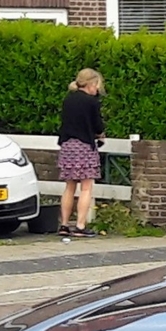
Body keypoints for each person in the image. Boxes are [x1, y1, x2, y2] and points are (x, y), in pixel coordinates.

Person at [56, 68, 103, 236]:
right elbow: (98, 126)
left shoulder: (68, 100)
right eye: (97, 85)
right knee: (86, 187)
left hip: (67, 146)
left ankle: (64, 224)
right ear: (91, 83)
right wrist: (100, 135)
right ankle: (80, 226)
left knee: (69, 186)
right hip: (84, 146)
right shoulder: (91, 102)